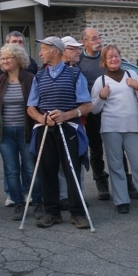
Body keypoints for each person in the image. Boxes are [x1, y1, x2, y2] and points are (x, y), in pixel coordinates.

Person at [27, 36, 92, 229]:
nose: (40, 53)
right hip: (45, 129)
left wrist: (66, 115)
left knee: (72, 170)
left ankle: (77, 213)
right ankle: (52, 213)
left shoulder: (74, 74)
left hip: (68, 128)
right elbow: (31, 106)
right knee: (47, 171)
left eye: (44, 49)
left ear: (56, 50)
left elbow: (87, 105)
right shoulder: (39, 76)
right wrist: (41, 118)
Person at [90, 45, 138, 214]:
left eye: (116, 56)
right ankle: (121, 200)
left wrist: (137, 87)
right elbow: (94, 109)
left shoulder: (131, 75)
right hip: (110, 128)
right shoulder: (100, 82)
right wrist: (101, 96)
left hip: (131, 127)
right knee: (116, 166)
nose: (114, 59)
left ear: (120, 58)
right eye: (110, 57)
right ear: (104, 61)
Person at [0, 43, 44, 221]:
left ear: (18, 59)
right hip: (5, 134)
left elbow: (38, 104)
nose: (4, 61)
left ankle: (37, 202)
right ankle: (18, 204)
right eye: (2, 58)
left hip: (26, 132)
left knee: (30, 168)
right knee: (11, 170)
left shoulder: (31, 79)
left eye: (7, 58)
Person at [78, 27, 137, 201]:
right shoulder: (80, 61)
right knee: (96, 149)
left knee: (120, 148)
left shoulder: (106, 58)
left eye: (99, 37)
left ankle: (127, 182)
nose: (98, 41)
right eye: (94, 38)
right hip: (93, 112)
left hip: (113, 111)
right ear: (85, 42)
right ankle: (101, 181)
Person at [58, 35, 86, 210]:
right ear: (62, 51)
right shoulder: (47, 71)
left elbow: (85, 102)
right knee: (60, 164)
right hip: (56, 124)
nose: (78, 52)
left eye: (78, 48)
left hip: (75, 123)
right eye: (73, 49)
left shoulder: (77, 71)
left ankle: (77, 196)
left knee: (77, 160)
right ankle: (62, 196)